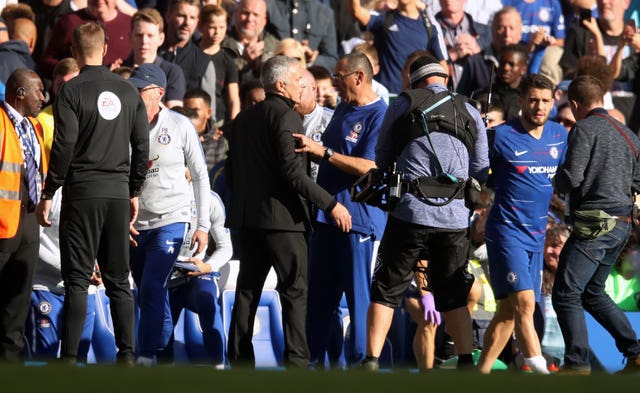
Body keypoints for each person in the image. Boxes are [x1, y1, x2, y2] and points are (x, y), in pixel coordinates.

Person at [363, 54, 489, 370]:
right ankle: (464, 360)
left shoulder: (402, 102)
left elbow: (382, 156)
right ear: (445, 79)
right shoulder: (470, 109)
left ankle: (372, 359)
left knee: (386, 288)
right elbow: (481, 167)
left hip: (410, 213)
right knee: (455, 293)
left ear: (415, 81)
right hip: (455, 218)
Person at [224, 55, 352, 368]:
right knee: (295, 292)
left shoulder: (242, 119)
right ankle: (297, 363)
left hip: (249, 219)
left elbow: (230, 172)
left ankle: (239, 363)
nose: (303, 87)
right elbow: (293, 175)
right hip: (284, 221)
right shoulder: (286, 116)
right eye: (298, 81)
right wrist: (331, 204)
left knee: (247, 292)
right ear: (282, 85)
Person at [35, 22, 149, 366]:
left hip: (82, 194)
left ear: (73, 51)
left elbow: (65, 145)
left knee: (77, 281)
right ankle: (127, 356)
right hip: (116, 194)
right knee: (118, 281)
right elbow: (141, 147)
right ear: (106, 48)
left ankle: (69, 359)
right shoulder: (129, 92)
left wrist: (49, 191)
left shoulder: (71, 91)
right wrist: (133, 190)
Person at [293, 52, 387, 368]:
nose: (334, 83)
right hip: (328, 216)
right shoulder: (344, 107)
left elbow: (369, 166)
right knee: (319, 297)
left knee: (359, 298)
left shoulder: (379, 115)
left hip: (359, 220)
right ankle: (313, 360)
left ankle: (362, 364)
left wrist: (324, 152)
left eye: (339, 76)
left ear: (358, 77)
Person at [477, 74, 567, 374]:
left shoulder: (559, 135)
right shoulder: (500, 136)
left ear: (553, 102)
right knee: (526, 305)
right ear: (521, 101)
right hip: (506, 233)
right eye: (533, 100)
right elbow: (476, 176)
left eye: (545, 101)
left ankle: (479, 374)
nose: (539, 106)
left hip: (537, 236)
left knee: (506, 313)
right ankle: (540, 375)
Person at [552, 74, 640, 375]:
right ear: (601, 99)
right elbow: (637, 183)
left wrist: (554, 181)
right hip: (623, 224)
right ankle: (636, 352)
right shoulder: (630, 135)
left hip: (595, 224)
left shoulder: (584, 129)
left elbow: (572, 177)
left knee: (565, 293)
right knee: (592, 292)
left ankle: (577, 364)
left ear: (574, 104)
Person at [127, 63, 210, 366]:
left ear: (159, 93)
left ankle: (147, 354)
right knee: (148, 291)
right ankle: (165, 358)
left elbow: (200, 174)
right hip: (137, 224)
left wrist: (202, 225)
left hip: (172, 219)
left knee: (152, 286)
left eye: (141, 89)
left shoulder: (179, 125)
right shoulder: (122, 124)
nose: (134, 94)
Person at [0, 68, 47, 362]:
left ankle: (11, 365)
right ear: (20, 94)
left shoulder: (35, 126)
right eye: (38, 91)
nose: (44, 97)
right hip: (3, 222)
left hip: (28, 219)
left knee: (18, 299)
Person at [26, 188, 99, 362]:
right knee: (43, 360)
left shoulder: (98, 188)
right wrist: (76, 270)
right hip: (47, 288)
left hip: (85, 291)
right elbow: (32, 242)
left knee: (79, 359)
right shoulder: (48, 192)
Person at [166, 187, 232, 367]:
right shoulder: (157, 192)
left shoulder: (210, 199)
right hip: (165, 271)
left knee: (207, 302)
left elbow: (226, 247)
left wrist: (207, 266)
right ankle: (161, 372)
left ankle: (219, 367)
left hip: (196, 271)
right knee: (163, 322)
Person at [349, 0, 449, 95]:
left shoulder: (430, 28)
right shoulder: (384, 20)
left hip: (415, 100)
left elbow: (443, 67)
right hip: (386, 96)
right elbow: (357, 12)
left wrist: (437, 94)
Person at [40, 0, 132, 78]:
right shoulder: (69, 21)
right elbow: (47, 62)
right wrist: (74, 71)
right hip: (77, 92)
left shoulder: (130, 25)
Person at [159, 0, 216, 116]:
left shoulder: (203, 61)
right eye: (181, 16)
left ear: (197, 22)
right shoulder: (150, 52)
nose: (187, 23)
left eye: (192, 18)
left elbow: (209, 114)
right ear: (168, 16)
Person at [122, 8, 186, 108]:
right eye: (139, 35)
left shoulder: (172, 72)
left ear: (161, 39)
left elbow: (173, 115)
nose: (144, 41)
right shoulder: (119, 69)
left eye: (150, 36)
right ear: (130, 37)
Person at [220, 0, 278, 83]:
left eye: (256, 14)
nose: (250, 19)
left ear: (264, 20)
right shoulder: (219, 43)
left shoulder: (275, 46)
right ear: (236, 14)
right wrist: (244, 61)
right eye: (245, 13)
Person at [294, 69, 333, 182]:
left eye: (302, 87)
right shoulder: (279, 118)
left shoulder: (332, 119)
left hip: (323, 193)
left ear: (313, 88)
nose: (297, 92)